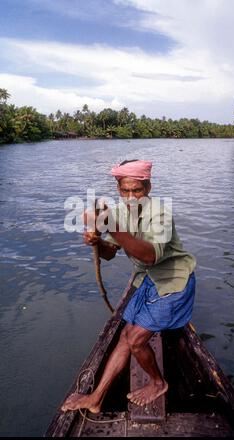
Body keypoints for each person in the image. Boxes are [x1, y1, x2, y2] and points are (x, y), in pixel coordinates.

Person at [61, 159, 196, 413]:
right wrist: (97, 242)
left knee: (134, 340)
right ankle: (96, 398)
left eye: (138, 190)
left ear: (149, 187)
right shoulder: (118, 212)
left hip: (173, 280)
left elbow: (150, 256)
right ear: (118, 189)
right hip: (147, 279)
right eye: (125, 191)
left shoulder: (161, 213)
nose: (131, 197)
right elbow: (110, 252)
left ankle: (158, 383)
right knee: (124, 336)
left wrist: (110, 225)